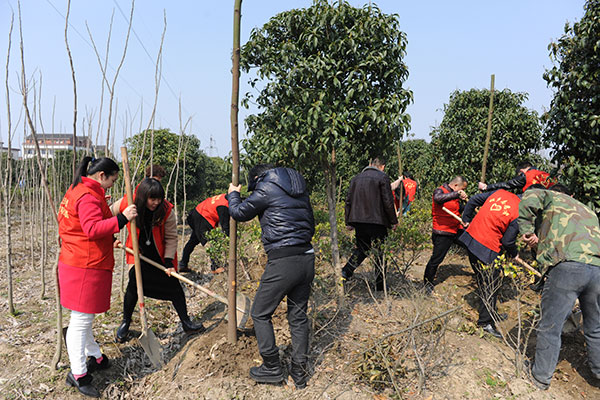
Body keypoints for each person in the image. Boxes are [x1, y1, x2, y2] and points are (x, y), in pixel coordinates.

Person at [228, 164, 315, 389]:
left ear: (257, 178)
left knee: (259, 313)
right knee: (297, 317)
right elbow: (311, 224)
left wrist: (233, 194)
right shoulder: (299, 188)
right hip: (307, 257)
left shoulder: (266, 187)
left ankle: (272, 367)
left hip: (284, 260)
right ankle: (300, 372)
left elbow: (239, 213)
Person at [58, 156, 137, 398]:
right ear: (102, 175)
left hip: (79, 259)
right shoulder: (87, 196)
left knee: (84, 316)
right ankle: (78, 373)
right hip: (85, 265)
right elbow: (92, 229)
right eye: (113, 180)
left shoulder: (79, 190)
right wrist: (123, 218)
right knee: (80, 320)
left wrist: (108, 236)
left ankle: (96, 356)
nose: (113, 184)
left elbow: (84, 227)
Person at [518, 184, 600, 390]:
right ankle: (598, 372)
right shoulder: (588, 210)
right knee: (595, 328)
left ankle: (540, 378)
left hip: (568, 268)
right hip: (597, 269)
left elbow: (529, 197)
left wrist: (527, 232)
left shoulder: (550, 196)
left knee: (550, 327)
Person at [112, 178, 205, 343]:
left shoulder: (166, 210)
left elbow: (171, 237)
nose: (156, 202)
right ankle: (126, 322)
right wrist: (111, 237)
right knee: (134, 285)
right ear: (143, 197)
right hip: (137, 253)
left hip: (159, 256)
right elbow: (107, 214)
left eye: (159, 199)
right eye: (152, 199)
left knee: (175, 287)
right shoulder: (129, 202)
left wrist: (169, 262)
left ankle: (186, 323)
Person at [458, 189, 521, 338]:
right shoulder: (520, 212)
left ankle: (490, 313)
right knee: (492, 285)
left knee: (482, 279)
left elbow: (473, 200)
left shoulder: (500, 193)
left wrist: (466, 219)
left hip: (471, 239)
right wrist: (514, 253)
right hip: (487, 248)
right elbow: (508, 241)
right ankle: (485, 323)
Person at [342, 157, 398, 291]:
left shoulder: (356, 178)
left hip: (359, 220)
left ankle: (346, 272)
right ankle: (380, 286)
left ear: (370, 164)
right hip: (377, 221)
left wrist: (348, 221)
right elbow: (388, 202)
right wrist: (393, 221)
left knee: (363, 249)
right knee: (380, 252)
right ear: (382, 167)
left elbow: (348, 201)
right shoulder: (382, 177)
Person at [423, 176, 468, 292]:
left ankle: (481, 274)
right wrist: (457, 194)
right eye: (462, 189)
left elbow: (458, 209)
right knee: (437, 259)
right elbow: (438, 199)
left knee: (471, 245)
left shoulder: (454, 196)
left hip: (456, 229)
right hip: (443, 232)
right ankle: (427, 283)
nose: (462, 191)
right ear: (456, 186)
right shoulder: (440, 191)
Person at [178, 193, 230, 273]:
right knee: (215, 241)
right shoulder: (223, 206)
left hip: (197, 214)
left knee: (193, 240)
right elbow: (225, 227)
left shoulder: (225, 196)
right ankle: (215, 267)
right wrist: (229, 242)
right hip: (202, 217)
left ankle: (182, 264)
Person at [478, 161, 555, 193]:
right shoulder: (547, 175)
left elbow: (507, 184)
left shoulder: (526, 175)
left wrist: (487, 187)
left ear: (521, 171)